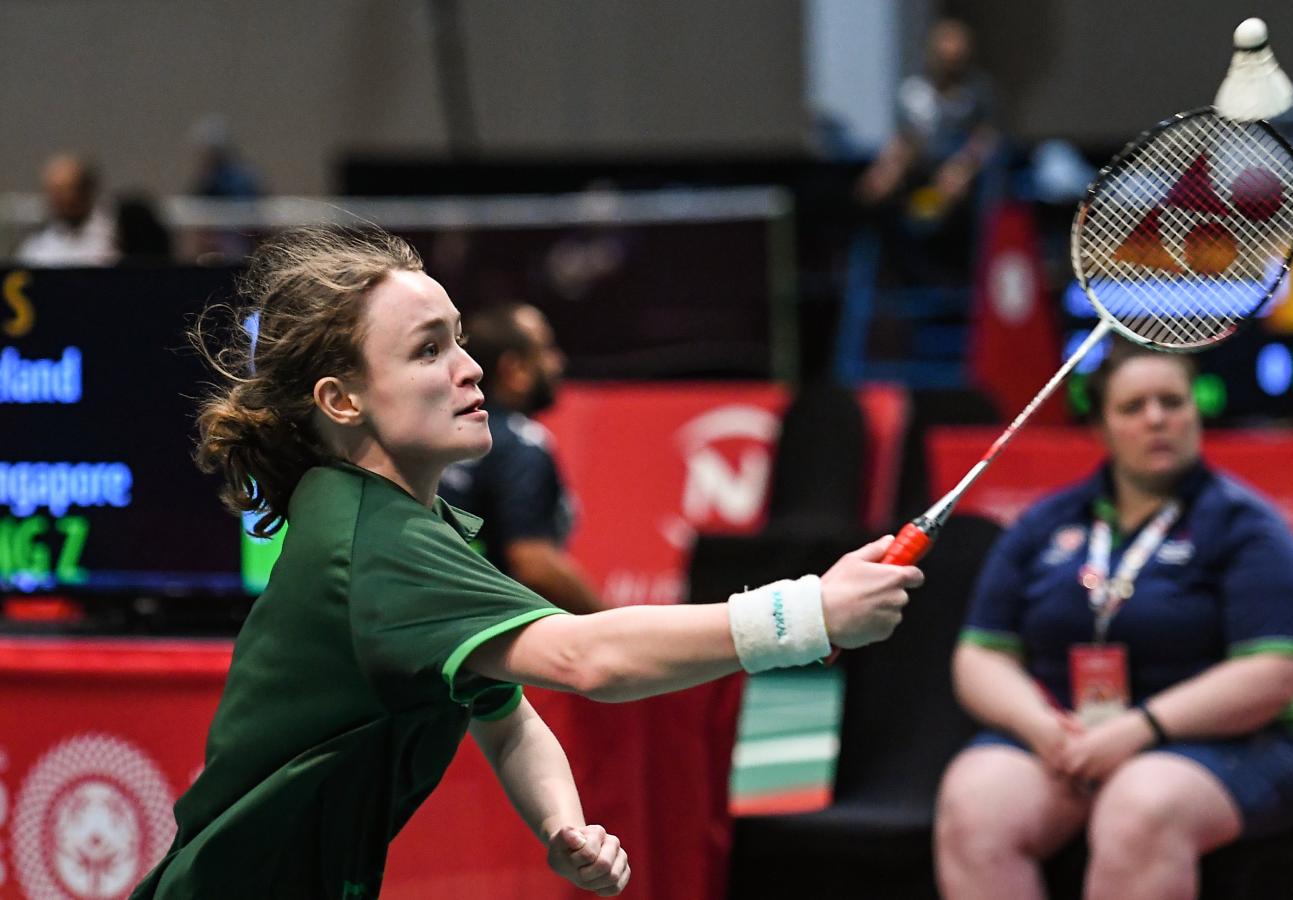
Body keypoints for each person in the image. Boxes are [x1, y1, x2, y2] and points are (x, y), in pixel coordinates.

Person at [131, 226, 923, 898]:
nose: (469, 368)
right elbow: (588, 658)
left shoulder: (405, 522)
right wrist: (808, 614)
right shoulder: (377, 544)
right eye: (427, 350)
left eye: (460, 340)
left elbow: (506, 717)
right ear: (343, 401)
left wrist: (560, 823)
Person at [933, 339, 1293, 900]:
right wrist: (1041, 729)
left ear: (1197, 411)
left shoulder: (1248, 527)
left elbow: (1276, 672)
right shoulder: (1046, 523)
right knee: (974, 804)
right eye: (1133, 406)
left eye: (1173, 401)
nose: (1157, 419)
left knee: (1139, 806)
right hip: (1072, 736)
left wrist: (1140, 729)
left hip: (1240, 739)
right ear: (1101, 427)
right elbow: (981, 655)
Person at [438, 302, 605, 614]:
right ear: (514, 370)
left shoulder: (438, 433)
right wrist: (610, 623)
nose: (558, 362)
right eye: (546, 349)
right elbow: (533, 563)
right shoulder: (522, 443)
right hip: (487, 629)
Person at [855, 18, 1001, 283]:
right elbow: (904, 141)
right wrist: (887, 168)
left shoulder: (977, 93)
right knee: (879, 183)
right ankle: (896, 264)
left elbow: (985, 140)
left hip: (959, 185)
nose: (949, 63)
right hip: (919, 176)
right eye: (943, 56)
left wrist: (962, 167)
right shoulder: (912, 92)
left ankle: (936, 252)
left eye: (956, 58)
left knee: (953, 184)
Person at [13, 154, 117, 267]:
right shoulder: (36, 248)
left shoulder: (116, 236)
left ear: (85, 191)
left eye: (65, 190)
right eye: (53, 191)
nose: (58, 198)